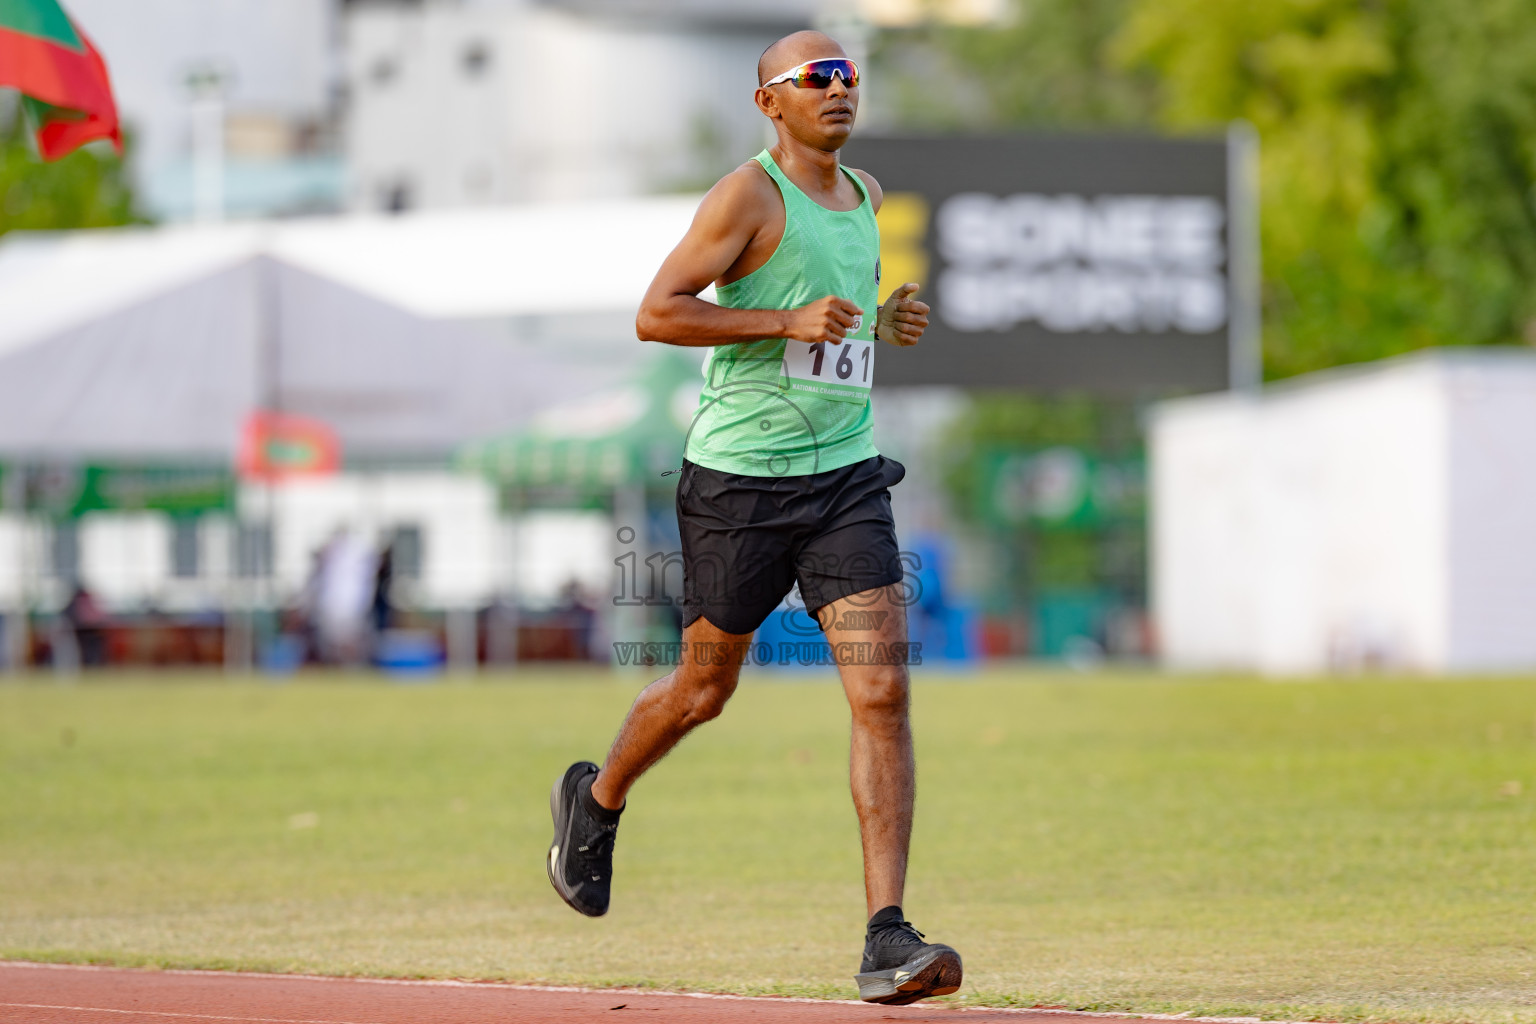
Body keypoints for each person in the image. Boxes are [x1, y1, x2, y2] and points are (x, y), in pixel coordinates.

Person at [546, 30, 958, 1005]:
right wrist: (781, 321)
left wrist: (881, 321)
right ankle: (596, 799)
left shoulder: (866, 197)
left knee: (882, 691)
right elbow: (658, 312)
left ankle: (886, 935)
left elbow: (830, 322)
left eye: (847, 74)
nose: (838, 89)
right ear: (770, 102)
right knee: (704, 688)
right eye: (816, 78)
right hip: (739, 483)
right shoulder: (746, 196)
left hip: (845, 478)